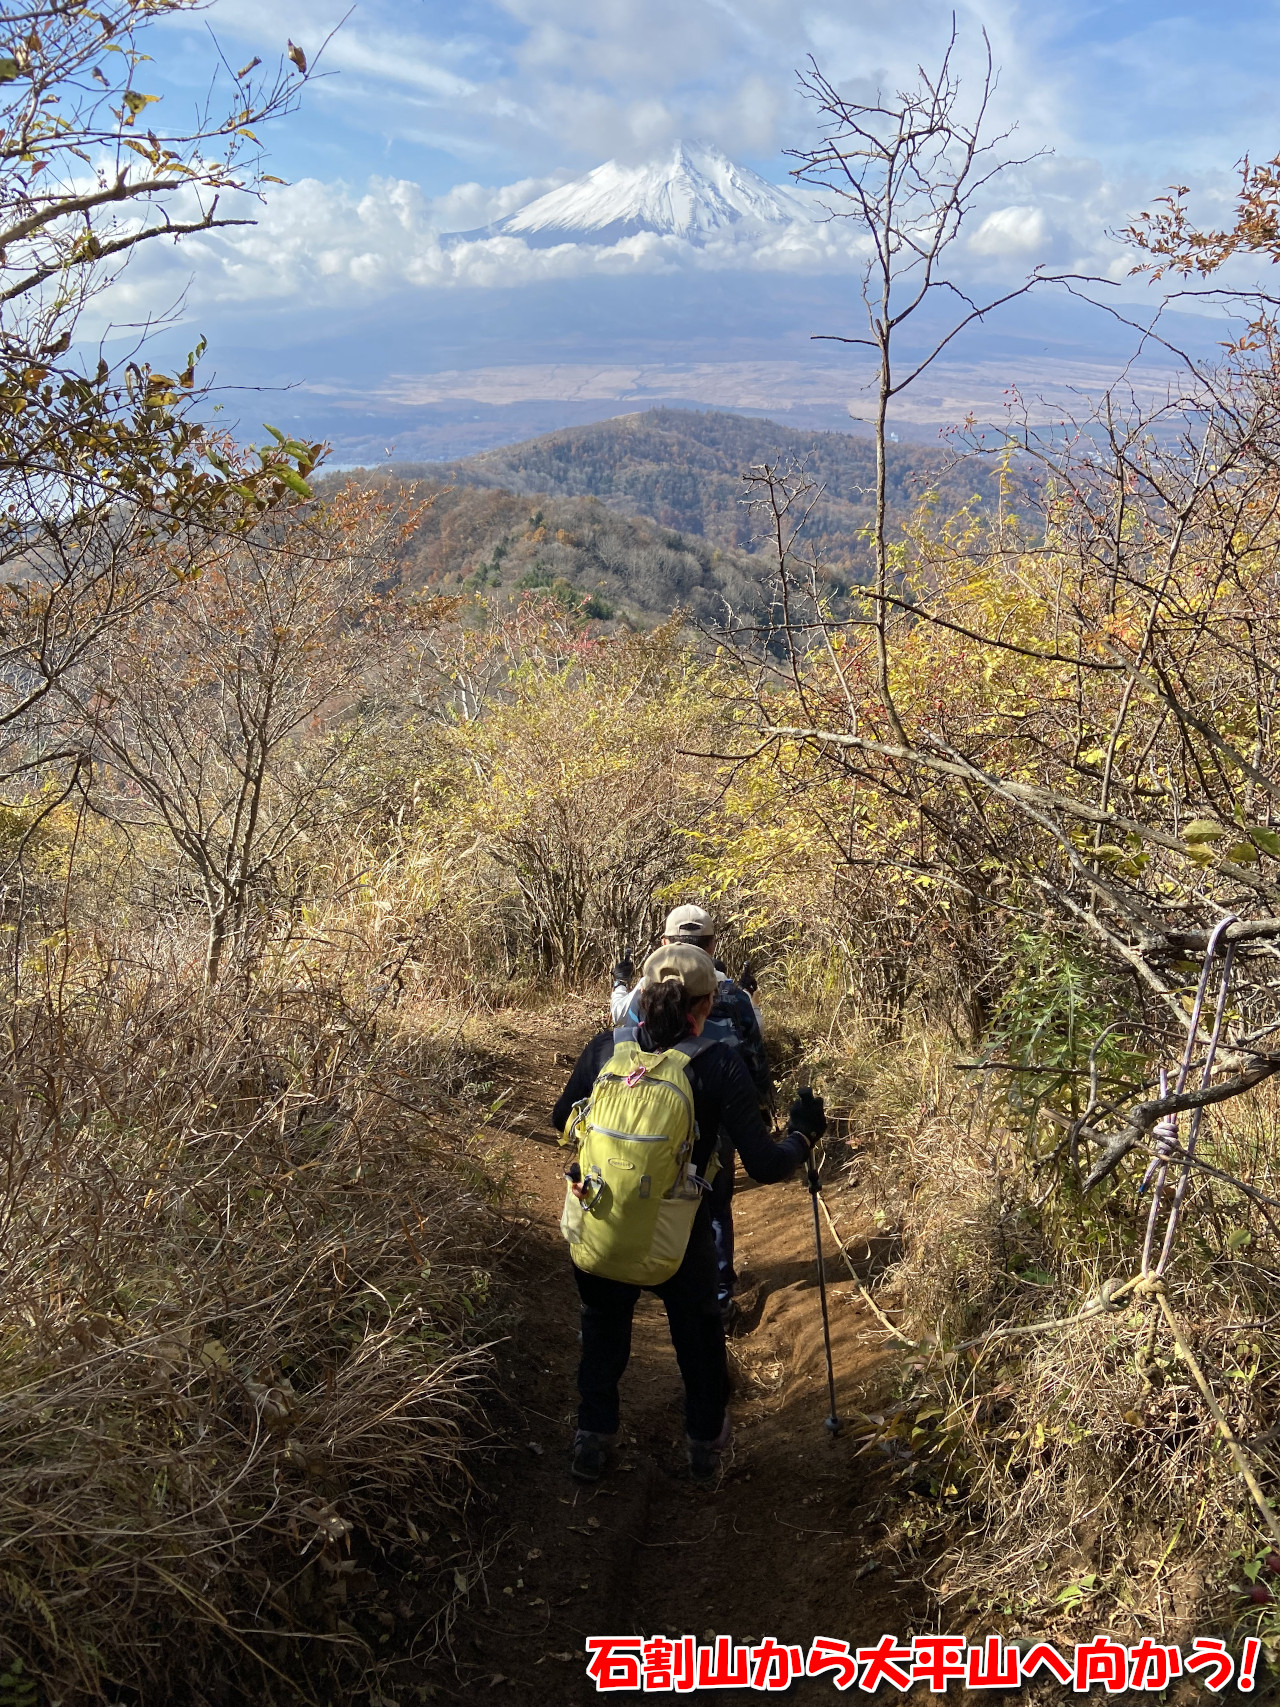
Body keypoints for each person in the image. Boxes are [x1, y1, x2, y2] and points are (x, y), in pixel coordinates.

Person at [555, 942, 826, 1483]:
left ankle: (593, 1439)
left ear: (643, 995)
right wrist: (802, 1134)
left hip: (601, 1222)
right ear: (704, 1006)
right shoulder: (716, 1063)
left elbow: (562, 1118)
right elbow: (767, 1165)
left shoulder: (604, 1049)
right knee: (698, 1338)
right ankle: (703, 1451)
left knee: (603, 1328)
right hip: (681, 1235)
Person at [611, 905, 770, 1321]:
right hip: (716, 1117)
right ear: (713, 945)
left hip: (647, 1118)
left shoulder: (643, 992)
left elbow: (618, 1024)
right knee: (715, 1206)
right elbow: (755, 1050)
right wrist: (761, 1109)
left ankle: (641, 1272)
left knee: (650, 1191)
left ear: (664, 943)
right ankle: (716, 1297)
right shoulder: (734, 995)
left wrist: (619, 982)